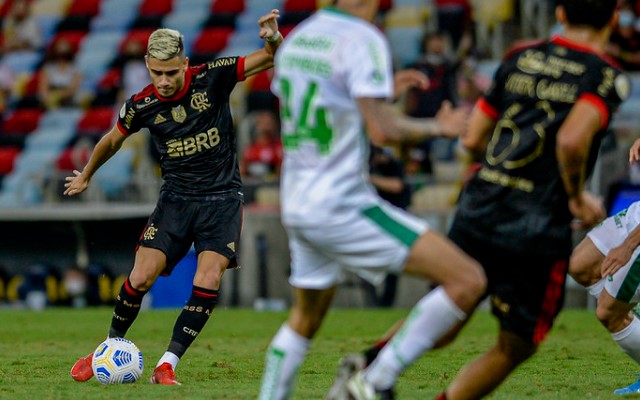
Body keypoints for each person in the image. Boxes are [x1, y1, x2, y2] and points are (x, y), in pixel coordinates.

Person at [333, 0, 628, 398]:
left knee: (451, 302)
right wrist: (575, 196)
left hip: (482, 202)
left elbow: (472, 139)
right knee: (517, 342)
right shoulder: (605, 76)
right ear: (613, 17)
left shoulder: (521, 56)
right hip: (536, 222)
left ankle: (368, 367)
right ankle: (374, 380)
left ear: (560, 13)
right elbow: (573, 139)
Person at [257, 1, 487, 399]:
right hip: (341, 204)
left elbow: (321, 102)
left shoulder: (300, 38)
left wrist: (378, 94)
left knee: (304, 318)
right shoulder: (363, 39)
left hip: (296, 202)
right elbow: (381, 130)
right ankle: (372, 382)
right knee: (468, 281)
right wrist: (441, 126)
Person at [65, 9, 283, 385]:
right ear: (148, 66)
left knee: (209, 278)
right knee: (142, 275)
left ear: (185, 63)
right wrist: (87, 174)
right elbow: (112, 140)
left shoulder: (214, 76)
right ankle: (108, 348)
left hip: (221, 198)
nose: (163, 81)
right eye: (156, 73)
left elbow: (267, 58)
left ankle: (167, 365)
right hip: (176, 199)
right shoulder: (142, 104)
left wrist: (273, 39)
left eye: (171, 72)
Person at [569, 137, 640, 395]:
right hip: (636, 214)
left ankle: (623, 313)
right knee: (580, 265)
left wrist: (628, 247)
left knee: (608, 314)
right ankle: (634, 312)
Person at [37, 39, 82, 109]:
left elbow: (72, 88)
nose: (62, 53)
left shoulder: (75, 69)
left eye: (64, 51)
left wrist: (57, 96)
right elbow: (43, 87)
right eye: (59, 50)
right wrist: (47, 98)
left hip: (68, 97)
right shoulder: (48, 68)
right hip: (51, 93)